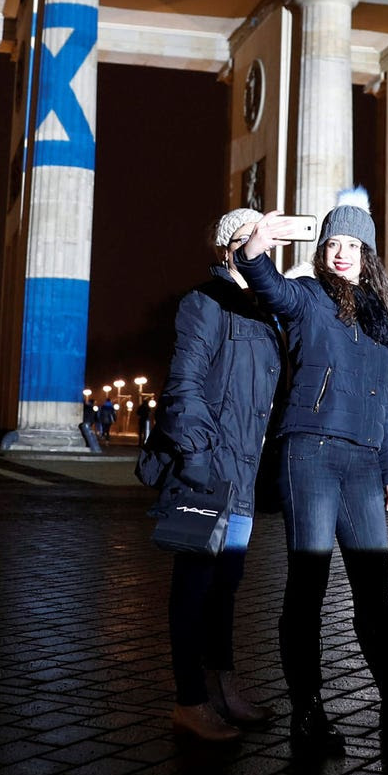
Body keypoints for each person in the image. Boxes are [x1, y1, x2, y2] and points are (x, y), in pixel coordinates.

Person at [236, 190, 388, 754]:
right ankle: (307, 714)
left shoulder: (384, 318)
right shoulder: (308, 296)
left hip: (364, 461)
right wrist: (256, 250)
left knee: (373, 589)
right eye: (333, 243)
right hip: (308, 451)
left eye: (353, 245)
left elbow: (387, 406)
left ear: (368, 253)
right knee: (308, 583)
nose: (342, 253)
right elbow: (269, 287)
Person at [155, 207, 282, 742]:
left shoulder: (260, 309)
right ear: (230, 245)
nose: (266, 248)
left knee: (225, 587)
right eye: (256, 238)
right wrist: (200, 464)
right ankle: (189, 699)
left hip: (244, 475)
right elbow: (182, 388)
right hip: (203, 472)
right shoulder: (202, 303)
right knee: (192, 585)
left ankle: (223, 687)